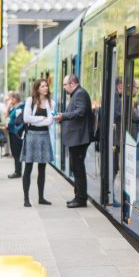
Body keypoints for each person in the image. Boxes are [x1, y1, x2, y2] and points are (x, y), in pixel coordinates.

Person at [53, 74, 92, 208]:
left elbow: (80, 112)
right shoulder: (77, 93)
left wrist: (63, 116)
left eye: (65, 85)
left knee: (78, 168)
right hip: (76, 138)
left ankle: (81, 199)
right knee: (75, 167)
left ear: (72, 83)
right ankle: (78, 196)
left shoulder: (80, 94)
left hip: (79, 139)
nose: (64, 88)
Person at [21, 79, 55, 207]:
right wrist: (42, 118)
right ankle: (26, 198)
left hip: (44, 136)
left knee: (42, 168)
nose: (45, 88)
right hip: (31, 135)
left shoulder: (52, 103)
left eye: (46, 86)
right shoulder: (31, 100)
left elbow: (50, 122)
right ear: (37, 88)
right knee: (28, 167)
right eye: (42, 86)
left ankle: (41, 197)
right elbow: (26, 118)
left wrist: (37, 120)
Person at [6, 92, 25, 179]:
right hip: (12, 132)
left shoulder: (20, 108)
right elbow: (7, 116)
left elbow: (18, 121)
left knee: (16, 152)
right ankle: (17, 170)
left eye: (11, 99)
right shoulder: (14, 107)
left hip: (16, 133)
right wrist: (8, 106)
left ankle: (18, 171)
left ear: (15, 99)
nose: (10, 100)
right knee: (15, 152)